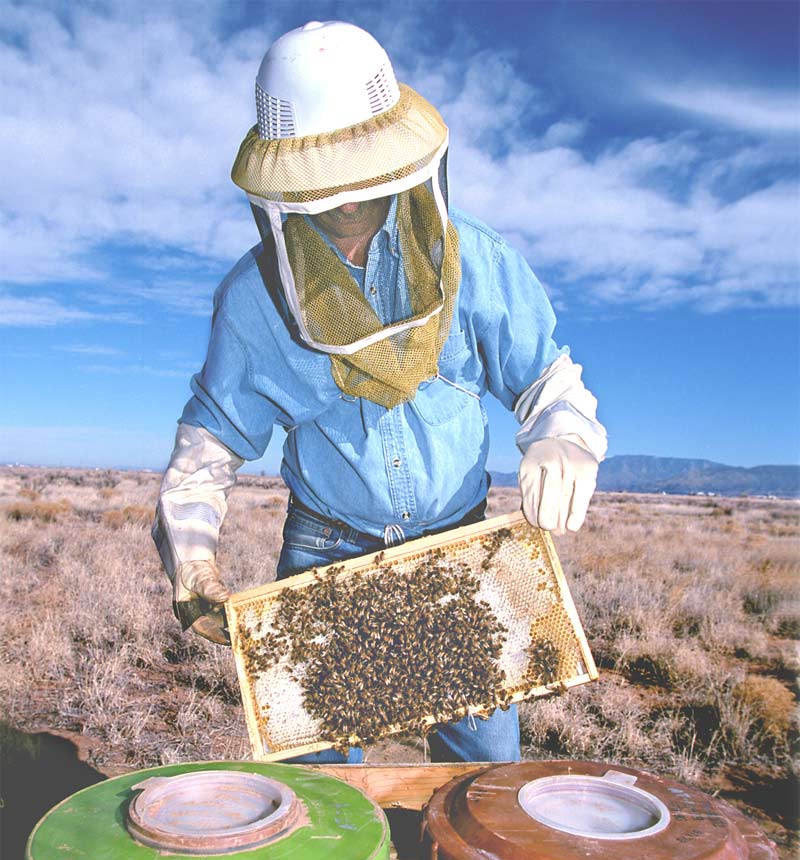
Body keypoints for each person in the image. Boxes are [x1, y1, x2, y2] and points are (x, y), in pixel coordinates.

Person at [152, 21, 607, 764]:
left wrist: (564, 434)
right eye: (323, 181)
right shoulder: (253, 297)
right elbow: (211, 437)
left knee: (484, 788)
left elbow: (548, 380)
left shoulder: (476, 258)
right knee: (319, 816)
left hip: (463, 548)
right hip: (323, 551)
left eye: (358, 172)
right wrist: (192, 554)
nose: (345, 200)